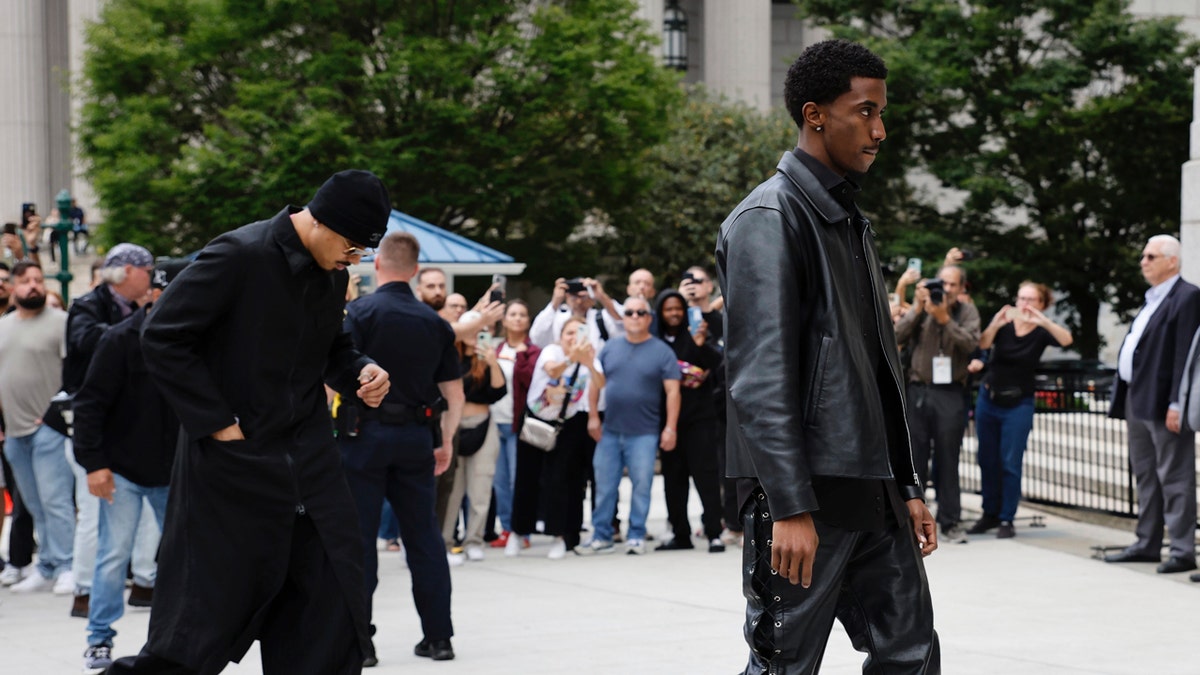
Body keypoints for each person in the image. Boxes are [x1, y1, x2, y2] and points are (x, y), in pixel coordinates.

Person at [108, 169, 392, 674]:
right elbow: (163, 336)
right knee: (195, 634)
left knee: (329, 614)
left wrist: (360, 371)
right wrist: (218, 423)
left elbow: (333, 350)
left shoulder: (333, 275)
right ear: (323, 221)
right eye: (352, 248)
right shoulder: (239, 254)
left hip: (310, 466)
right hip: (232, 466)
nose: (354, 261)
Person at [716, 40, 939, 673]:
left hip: (873, 490)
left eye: (881, 113)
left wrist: (906, 486)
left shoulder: (849, 219)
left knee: (913, 658)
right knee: (784, 665)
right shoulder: (769, 217)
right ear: (816, 115)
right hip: (806, 496)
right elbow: (760, 378)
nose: (880, 130)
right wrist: (787, 503)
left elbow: (876, 368)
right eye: (865, 112)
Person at [339, 230, 464, 664]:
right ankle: (439, 638)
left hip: (362, 437)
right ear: (414, 271)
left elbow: (327, 378)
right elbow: (454, 393)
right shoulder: (435, 323)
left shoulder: (358, 312)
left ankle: (361, 643)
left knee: (359, 543)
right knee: (424, 540)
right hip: (417, 437)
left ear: (377, 266)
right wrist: (445, 440)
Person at [73, 259, 189, 673]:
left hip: (175, 470)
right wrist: (94, 464)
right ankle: (99, 639)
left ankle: (181, 637)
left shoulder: (194, 340)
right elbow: (89, 404)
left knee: (183, 556)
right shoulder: (120, 340)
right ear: (152, 295)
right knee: (112, 554)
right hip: (122, 468)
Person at [63, 242, 159, 618]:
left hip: (137, 433)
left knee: (147, 524)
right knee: (95, 518)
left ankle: (145, 583)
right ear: (128, 273)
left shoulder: (141, 309)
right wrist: (137, 326)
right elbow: (88, 341)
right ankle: (84, 592)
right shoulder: (87, 307)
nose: (151, 278)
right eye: (147, 269)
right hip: (98, 434)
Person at [1105, 234, 1200, 575]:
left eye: (1150, 256)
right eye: (1144, 256)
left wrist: (1177, 401)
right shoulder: (1152, 299)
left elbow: (1183, 356)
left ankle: (1182, 549)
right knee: (1146, 476)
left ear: (1172, 261)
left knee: (1175, 477)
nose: (1143, 262)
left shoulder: (1187, 296)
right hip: (1137, 398)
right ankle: (1147, 543)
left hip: (1163, 403)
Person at [576, 296, 680, 556]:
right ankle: (601, 536)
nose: (634, 316)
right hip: (609, 430)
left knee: (642, 486)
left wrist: (670, 428)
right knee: (604, 486)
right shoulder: (610, 348)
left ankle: (636, 535)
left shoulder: (662, 351)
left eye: (640, 312)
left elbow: (673, 392)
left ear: (649, 318)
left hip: (644, 433)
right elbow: (595, 382)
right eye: (630, 312)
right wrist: (592, 416)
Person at [968, 282, 1073, 539]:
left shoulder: (1041, 331)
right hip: (989, 398)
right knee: (987, 459)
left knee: (1010, 462)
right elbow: (982, 343)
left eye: (1031, 300)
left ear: (1041, 303)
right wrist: (995, 322)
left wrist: (1043, 321)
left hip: (1019, 402)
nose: (1024, 304)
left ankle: (1007, 517)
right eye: (1021, 298)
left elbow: (1066, 340)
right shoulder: (1003, 326)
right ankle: (989, 513)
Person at [0, 261, 76, 596]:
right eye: (26, 280)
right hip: (14, 431)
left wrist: (55, 416)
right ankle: (46, 565)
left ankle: (69, 566)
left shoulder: (61, 322)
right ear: (14, 287)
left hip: (49, 427)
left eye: (38, 279)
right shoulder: (3, 326)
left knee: (55, 500)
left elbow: (73, 374)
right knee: (33, 503)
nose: (34, 285)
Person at [894, 264, 981, 543]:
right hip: (918, 390)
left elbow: (971, 345)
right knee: (914, 459)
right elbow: (895, 336)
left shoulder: (966, 312)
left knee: (948, 458)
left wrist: (944, 319)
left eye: (952, 284)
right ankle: (912, 522)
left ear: (961, 288)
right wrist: (918, 310)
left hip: (950, 393)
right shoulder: (922, 308)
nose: (945, 289)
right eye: (941, 282)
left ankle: (950, 521)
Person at [509, 317, 604, 559]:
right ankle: (518, 533)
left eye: (579, 332)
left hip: (566, 425)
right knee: (526, 479)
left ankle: (558, 535)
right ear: (560, 336)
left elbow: (600, 382)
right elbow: (552, 370)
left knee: (560, 480)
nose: (573, 337)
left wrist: (589, 363)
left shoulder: (589, 357)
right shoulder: (551, 351)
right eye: (569, 333)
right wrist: (573, 357)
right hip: (536, 419)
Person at [652, 289, 725, 553]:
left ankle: (714, 532)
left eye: (678, 309)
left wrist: (700, 344)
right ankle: (680, 533)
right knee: (673, 479)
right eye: (668, 309)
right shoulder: (655, 341)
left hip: (700, 420)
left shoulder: (694, 335)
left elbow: (717, 363)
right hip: (668, 422)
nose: (674, 313)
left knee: (706, 477)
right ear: (660, 312)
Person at [440, 324, 507, 562]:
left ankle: (474, 540)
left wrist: (491, 361)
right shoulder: (449, 356)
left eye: (478, 331)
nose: (473, 335)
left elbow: (499, 391)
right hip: (454, 426)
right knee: (452, 491)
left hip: (483, 425)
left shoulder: (485, 359)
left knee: (480, 489)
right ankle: (446, 542)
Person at [488, 301, 541, 550]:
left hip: (517, 425)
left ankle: (523, 529)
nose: (518, 319)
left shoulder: (533, 351)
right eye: (513, 314)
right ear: (505, 320)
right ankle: (507, 528)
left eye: (522, 314)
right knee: (499, 482)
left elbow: (534, 383)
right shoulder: (495, 348)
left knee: (517, 481)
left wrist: (521, 358)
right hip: (493, 422)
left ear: (528, 321)